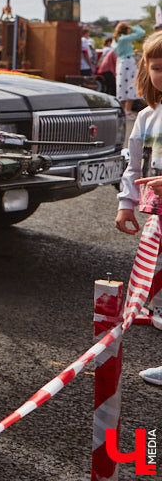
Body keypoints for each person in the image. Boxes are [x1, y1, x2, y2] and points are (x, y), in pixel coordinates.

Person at [113, 30, 162, 385]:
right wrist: (126, 203)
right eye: (158, 67)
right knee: (156, 283)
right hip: (157, 218)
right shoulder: (146, 118)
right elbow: (133, 165)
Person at [113, 21, 146, 116]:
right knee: (131, 85)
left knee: (121, 86)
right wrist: (132, 27)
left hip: (120, 63)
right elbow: (141, 33)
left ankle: (122, 110)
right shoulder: (124, 39)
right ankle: (128, 110)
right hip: (128, 62)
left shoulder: (116, 40)